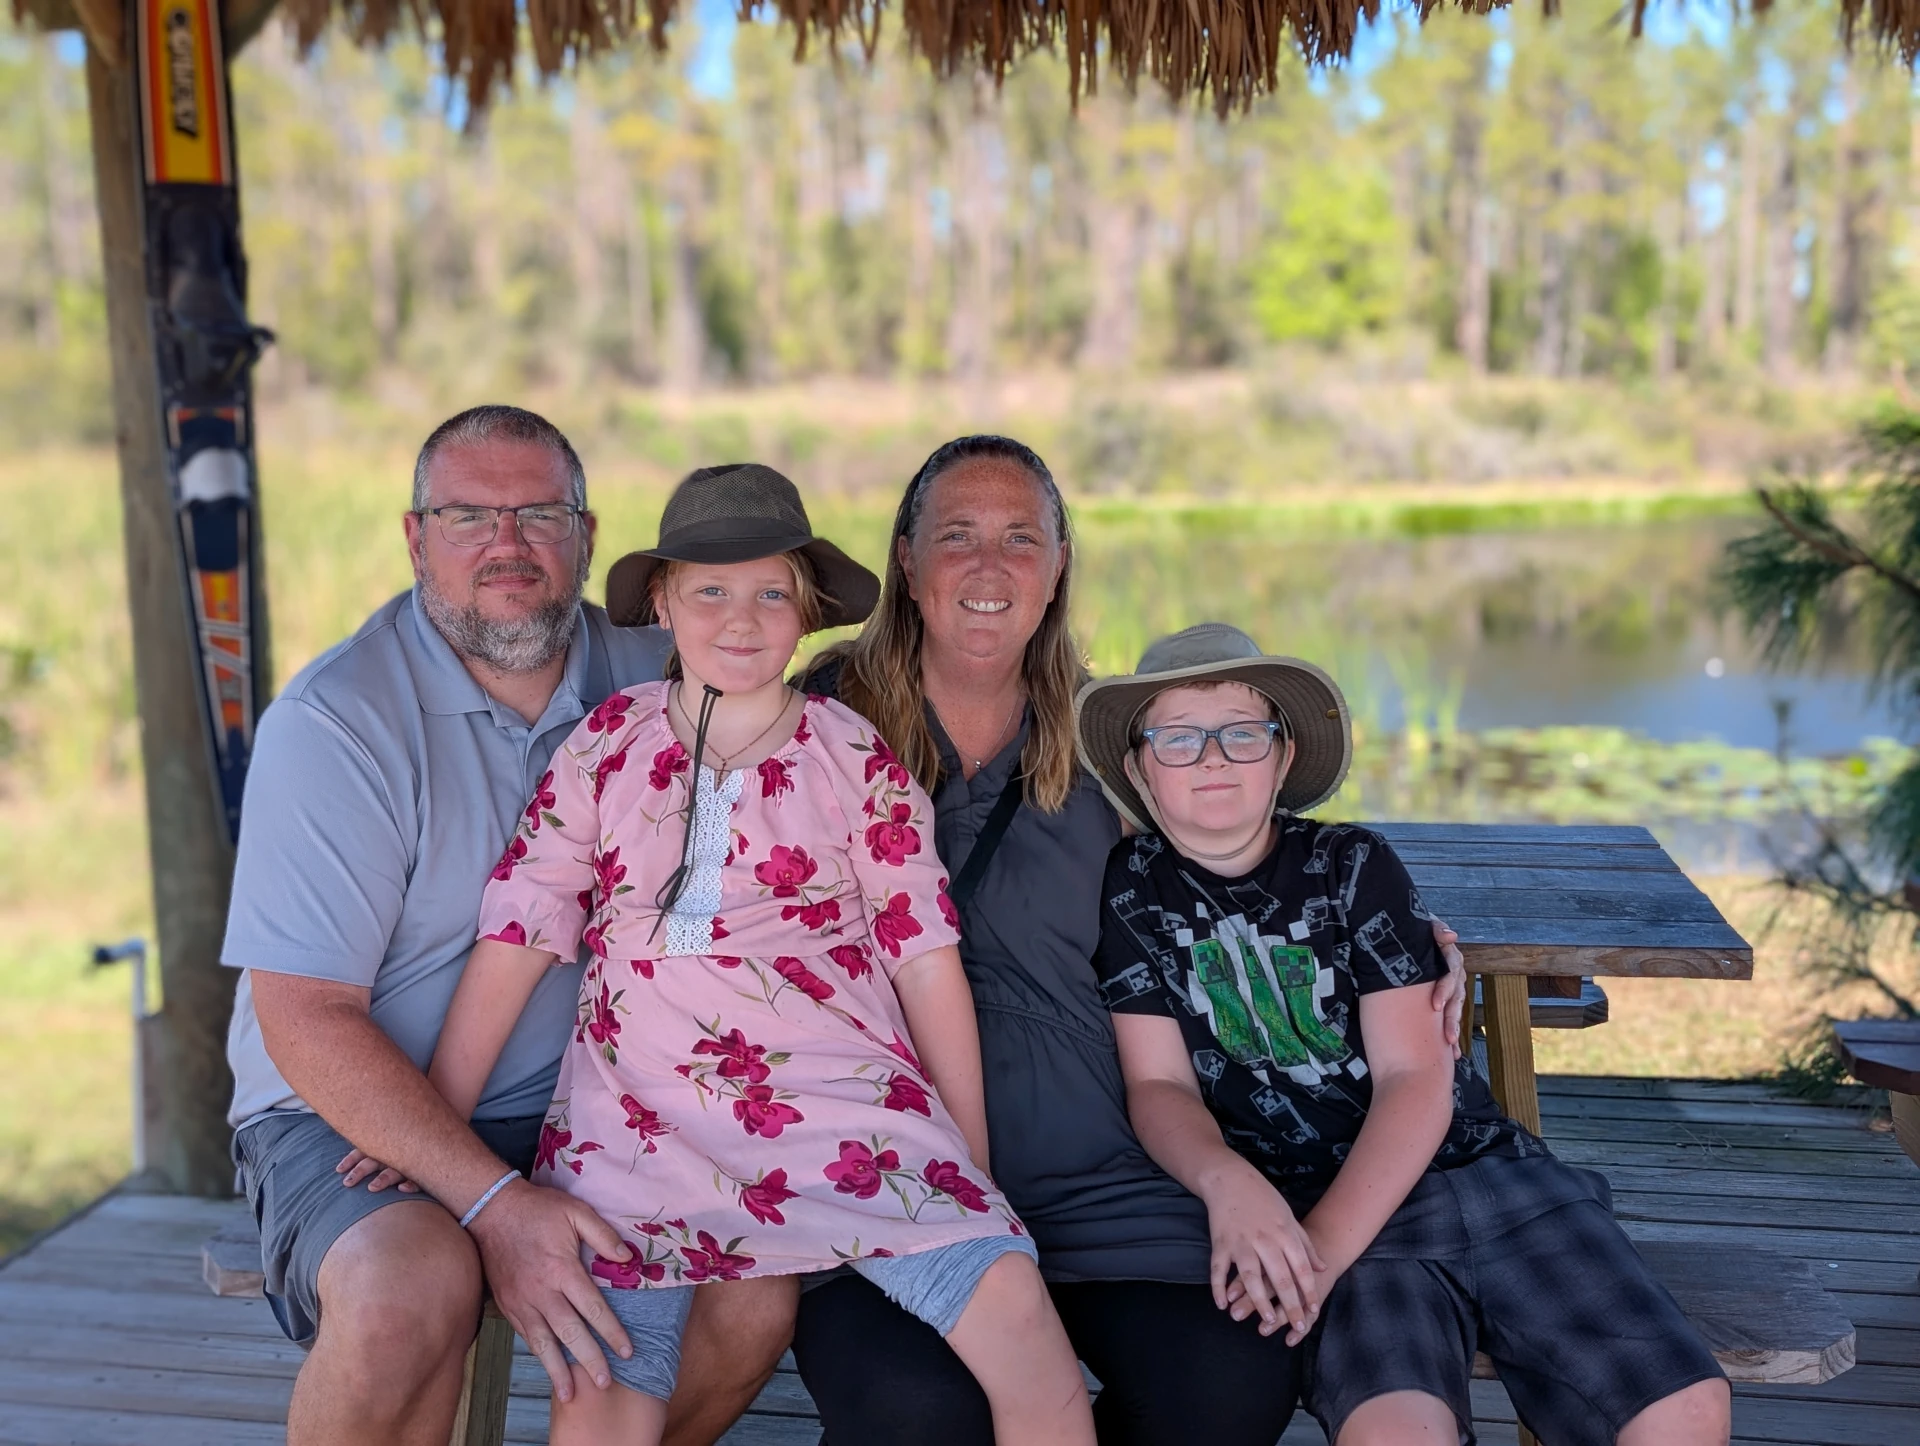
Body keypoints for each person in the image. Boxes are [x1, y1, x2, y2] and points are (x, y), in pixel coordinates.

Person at [790, 436, 1469, 1445]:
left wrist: (1412, 936)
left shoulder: (1110, 744)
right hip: (896, 1185)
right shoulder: (818, 727)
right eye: (957, 537)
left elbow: (1251, 850)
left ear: (1059, 563)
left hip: (1110, 1184)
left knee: (1231, 1384)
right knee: (919, 1411)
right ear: (906, 558)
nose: (989, 567)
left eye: (1021, 538)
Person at [427, 463, 1096, 1446]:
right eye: (709, 590)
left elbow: (924, 959)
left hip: (844, 1116)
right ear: (661, 601)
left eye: (770, 592)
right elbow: (519, 932)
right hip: (638, 1130)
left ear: (807, 611)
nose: (740, 618)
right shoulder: (604, 748)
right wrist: (434, 1119)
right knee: (604, 1403)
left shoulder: (852, 755)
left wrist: (966, 1162)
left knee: (1022, 1329)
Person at [220, 407, 790, 1446]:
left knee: (750, 1293)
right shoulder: (339, 722)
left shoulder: (671, 675)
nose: (507, 545)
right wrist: (492, 1203)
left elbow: (807, 711)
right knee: (406, 1290)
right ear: (414, 536)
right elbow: (305, 1016)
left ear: (587, 532)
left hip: (602, 1105)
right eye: (467, 517)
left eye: (538, 513)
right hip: (353, 1116)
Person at [1077, 622, 1734, 1446]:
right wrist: (1224, 1181)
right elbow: (1159, 1085)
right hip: (1312, 1192)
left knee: (1685, 1407)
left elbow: (1415, 1078)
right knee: (1396, 1431)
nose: (1214, 757)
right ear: (1139, 768)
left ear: (1282, 758)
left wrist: (1318, 1255)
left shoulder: (1352, 865)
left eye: (1243, 733)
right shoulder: (1130, 896)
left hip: (1473, 1174)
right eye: (1178, 738)